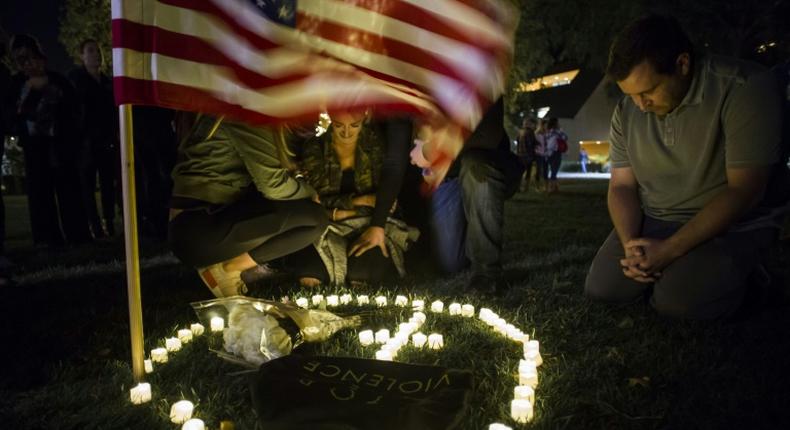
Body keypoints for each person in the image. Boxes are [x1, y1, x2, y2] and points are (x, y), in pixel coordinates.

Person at [584, 14, 788, 319]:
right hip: (656, 217)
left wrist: (668, 251)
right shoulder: (628, 110)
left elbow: (745, 191)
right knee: (603, 290)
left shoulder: (744, 88)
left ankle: (751, 273)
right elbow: (622, 185)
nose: (641, 105)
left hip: (730, 222)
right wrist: (630, 244)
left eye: (648, 91)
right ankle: (683, 271)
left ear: (682, 64)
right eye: (632, 95)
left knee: (678, 303)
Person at [168, 115, 328, 297]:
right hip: (200, 228)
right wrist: (310, 193)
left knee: (304, 212)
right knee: (314, 218)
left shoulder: (234, 111)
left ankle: (232, 264)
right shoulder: (244, 116)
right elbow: (274, 186)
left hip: (200, 226)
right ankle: (229, 268)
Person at [293, 110, 419, 286]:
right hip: (327, 223)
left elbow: (385, 200)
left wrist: (345, 211)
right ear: (330, 119)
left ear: (364, 119)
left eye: (354, 125)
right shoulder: (315, 148)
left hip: (367, 222)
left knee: (361, 274)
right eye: (338, 126)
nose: (346, 133)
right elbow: (316, 199)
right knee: (310, 274)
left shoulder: (376, 145)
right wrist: (361, 201)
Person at [411, 98, 524, 292]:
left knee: (476, 167)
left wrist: (432, 152)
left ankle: (486, 273)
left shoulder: (481, 78)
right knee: (450, 263)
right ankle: (468, 226)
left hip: (485, 166)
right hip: (447, 180)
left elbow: (486, 137)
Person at [7, 34, 91, 248]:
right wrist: (33, 92)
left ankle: (78, 235)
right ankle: (47, 238)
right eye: (22, 60)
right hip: (35, 148)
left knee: (70, 190)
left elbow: (75, 110)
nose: (28, 64)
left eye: (31, 57)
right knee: (40, 194)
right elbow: (15, 115)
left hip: (62, 145)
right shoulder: (16, 84)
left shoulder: (59, 80)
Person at [68, 39, 119, 238]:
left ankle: (109, 222)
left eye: (97, 50)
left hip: (106, 141)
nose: (96, 54)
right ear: (82, 56)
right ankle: (95, 226)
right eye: (90, 51)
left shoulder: (107, 82)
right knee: (87, 186)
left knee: (108, 185)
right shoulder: (76, 80)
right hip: (85, 142)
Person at [515, 117, 540, 191]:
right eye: (531, 124)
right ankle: (526, 187)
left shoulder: (520, 132)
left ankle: (518, 187)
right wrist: (538, 144)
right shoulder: (530, 132)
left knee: (520, 172)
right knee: (528, 172)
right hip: (528, 155)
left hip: (520, 154)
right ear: (529, 124)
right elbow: (531, 143)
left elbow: (517, 141)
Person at [544, 117, 567, 193]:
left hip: (548, 153)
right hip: (556, 152)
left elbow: (545, 142)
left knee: (553, 170)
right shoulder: (557, 132)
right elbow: (565, 137)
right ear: (555, 123)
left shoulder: (547, 132)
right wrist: (561, 130)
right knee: (554, 171)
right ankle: (552, 188)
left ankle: (555, 187)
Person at [533, 118, 548, 192]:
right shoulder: (537, 134)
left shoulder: (545, 134)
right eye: (545, 125)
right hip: (538, 154)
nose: (546, 127)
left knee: (544, 171)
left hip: (544, 154)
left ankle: (544, 186)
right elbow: (534, 145)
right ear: (541, 125)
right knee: (538, 171)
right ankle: (537, 187)